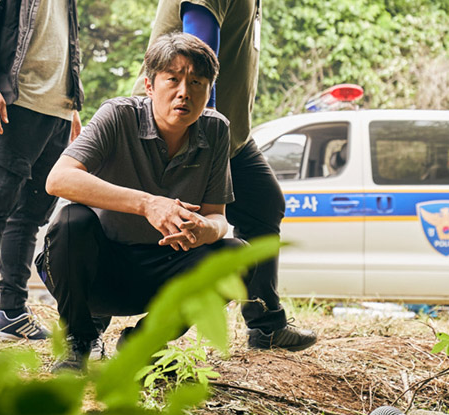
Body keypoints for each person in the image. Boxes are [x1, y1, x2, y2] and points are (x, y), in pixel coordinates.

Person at [39, 33, 314, 372]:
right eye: (173, 79)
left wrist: (206, 230)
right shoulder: (117, 115)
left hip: (165, 271)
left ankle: (142, 344)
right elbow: (58, 180)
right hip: (100, 271)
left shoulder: (216, 130)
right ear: (149, 86)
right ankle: (79, 342)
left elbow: (218, 217)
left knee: (237, 256)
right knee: (71, 221)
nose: (185, 92)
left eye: (197, 82)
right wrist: (147, 204)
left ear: (209, 92)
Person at [132, 0, 317, 352]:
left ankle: (266, 325)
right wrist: (204, 127)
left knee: (263, 205)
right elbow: (196, 48)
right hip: (180, 124)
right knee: (126, 222)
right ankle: (88, 332)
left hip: (230, 137)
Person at [0, 0, 84, 340]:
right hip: (15, 99)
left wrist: (72, 102)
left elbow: (64, 37)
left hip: (57, 107)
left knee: (30, 216)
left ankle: (12, 312)